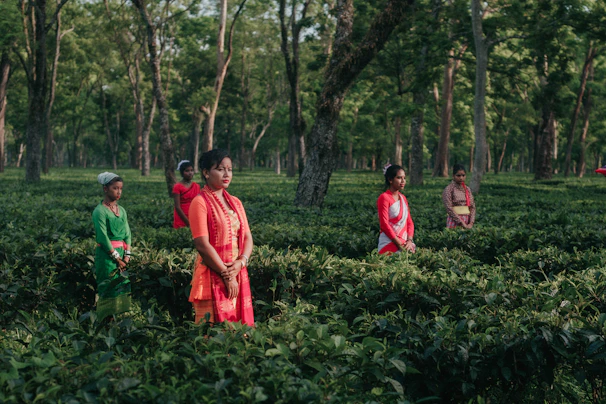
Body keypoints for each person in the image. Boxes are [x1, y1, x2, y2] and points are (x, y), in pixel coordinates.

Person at [188, 149, 254, 326]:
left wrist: (241, 262)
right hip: (213, 272)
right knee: (212, 333)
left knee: (238, 329)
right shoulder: (199, 202)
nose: (226, 174)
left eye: (230, 169)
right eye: (220, 169)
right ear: (206, 173)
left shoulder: (236, 202)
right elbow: (202, 244)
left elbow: (247, 237)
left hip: (237, 271)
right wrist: (227, 275)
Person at [92, 172, 132, 320]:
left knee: (122, 286)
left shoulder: (122, 211)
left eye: (120, 188)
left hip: (122, 255)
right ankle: (105, 321)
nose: (119, 192)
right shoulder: (99, 211)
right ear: (105, 189)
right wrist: (117, 258)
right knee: (108, 286)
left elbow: (127, 234)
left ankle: (120, 320)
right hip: (106, 257)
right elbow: (102, 237)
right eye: (115, 188)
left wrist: (126, 256)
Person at [377, 164, 415, 254]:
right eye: (399, 178)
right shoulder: (384, 198)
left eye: (404, 178)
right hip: (389, 243)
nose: (403, 181)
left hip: (405, 243)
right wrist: (399, 244)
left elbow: (409, 222)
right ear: (390, 180)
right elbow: (384, 225)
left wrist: (409, 241)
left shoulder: (403, 198)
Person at [442, 164, 476, 229]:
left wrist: (471, 223)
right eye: (458, 175)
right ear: (453, 176)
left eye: (463, 175)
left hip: (467, 220)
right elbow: (449, 208)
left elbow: (472, 207)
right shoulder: (449, 189)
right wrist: (461, 222)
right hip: (454, 220)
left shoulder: (467, 189)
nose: (461, 178)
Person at [172, 160, 201, 229]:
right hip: (181, 216)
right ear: (182, 173)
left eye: (191, 170)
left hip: (194, 215)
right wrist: (187, 222)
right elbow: (177, 207)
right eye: (187, 171)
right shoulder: (177, 187)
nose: (190, 173)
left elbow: (198, 203)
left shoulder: (196, 186)